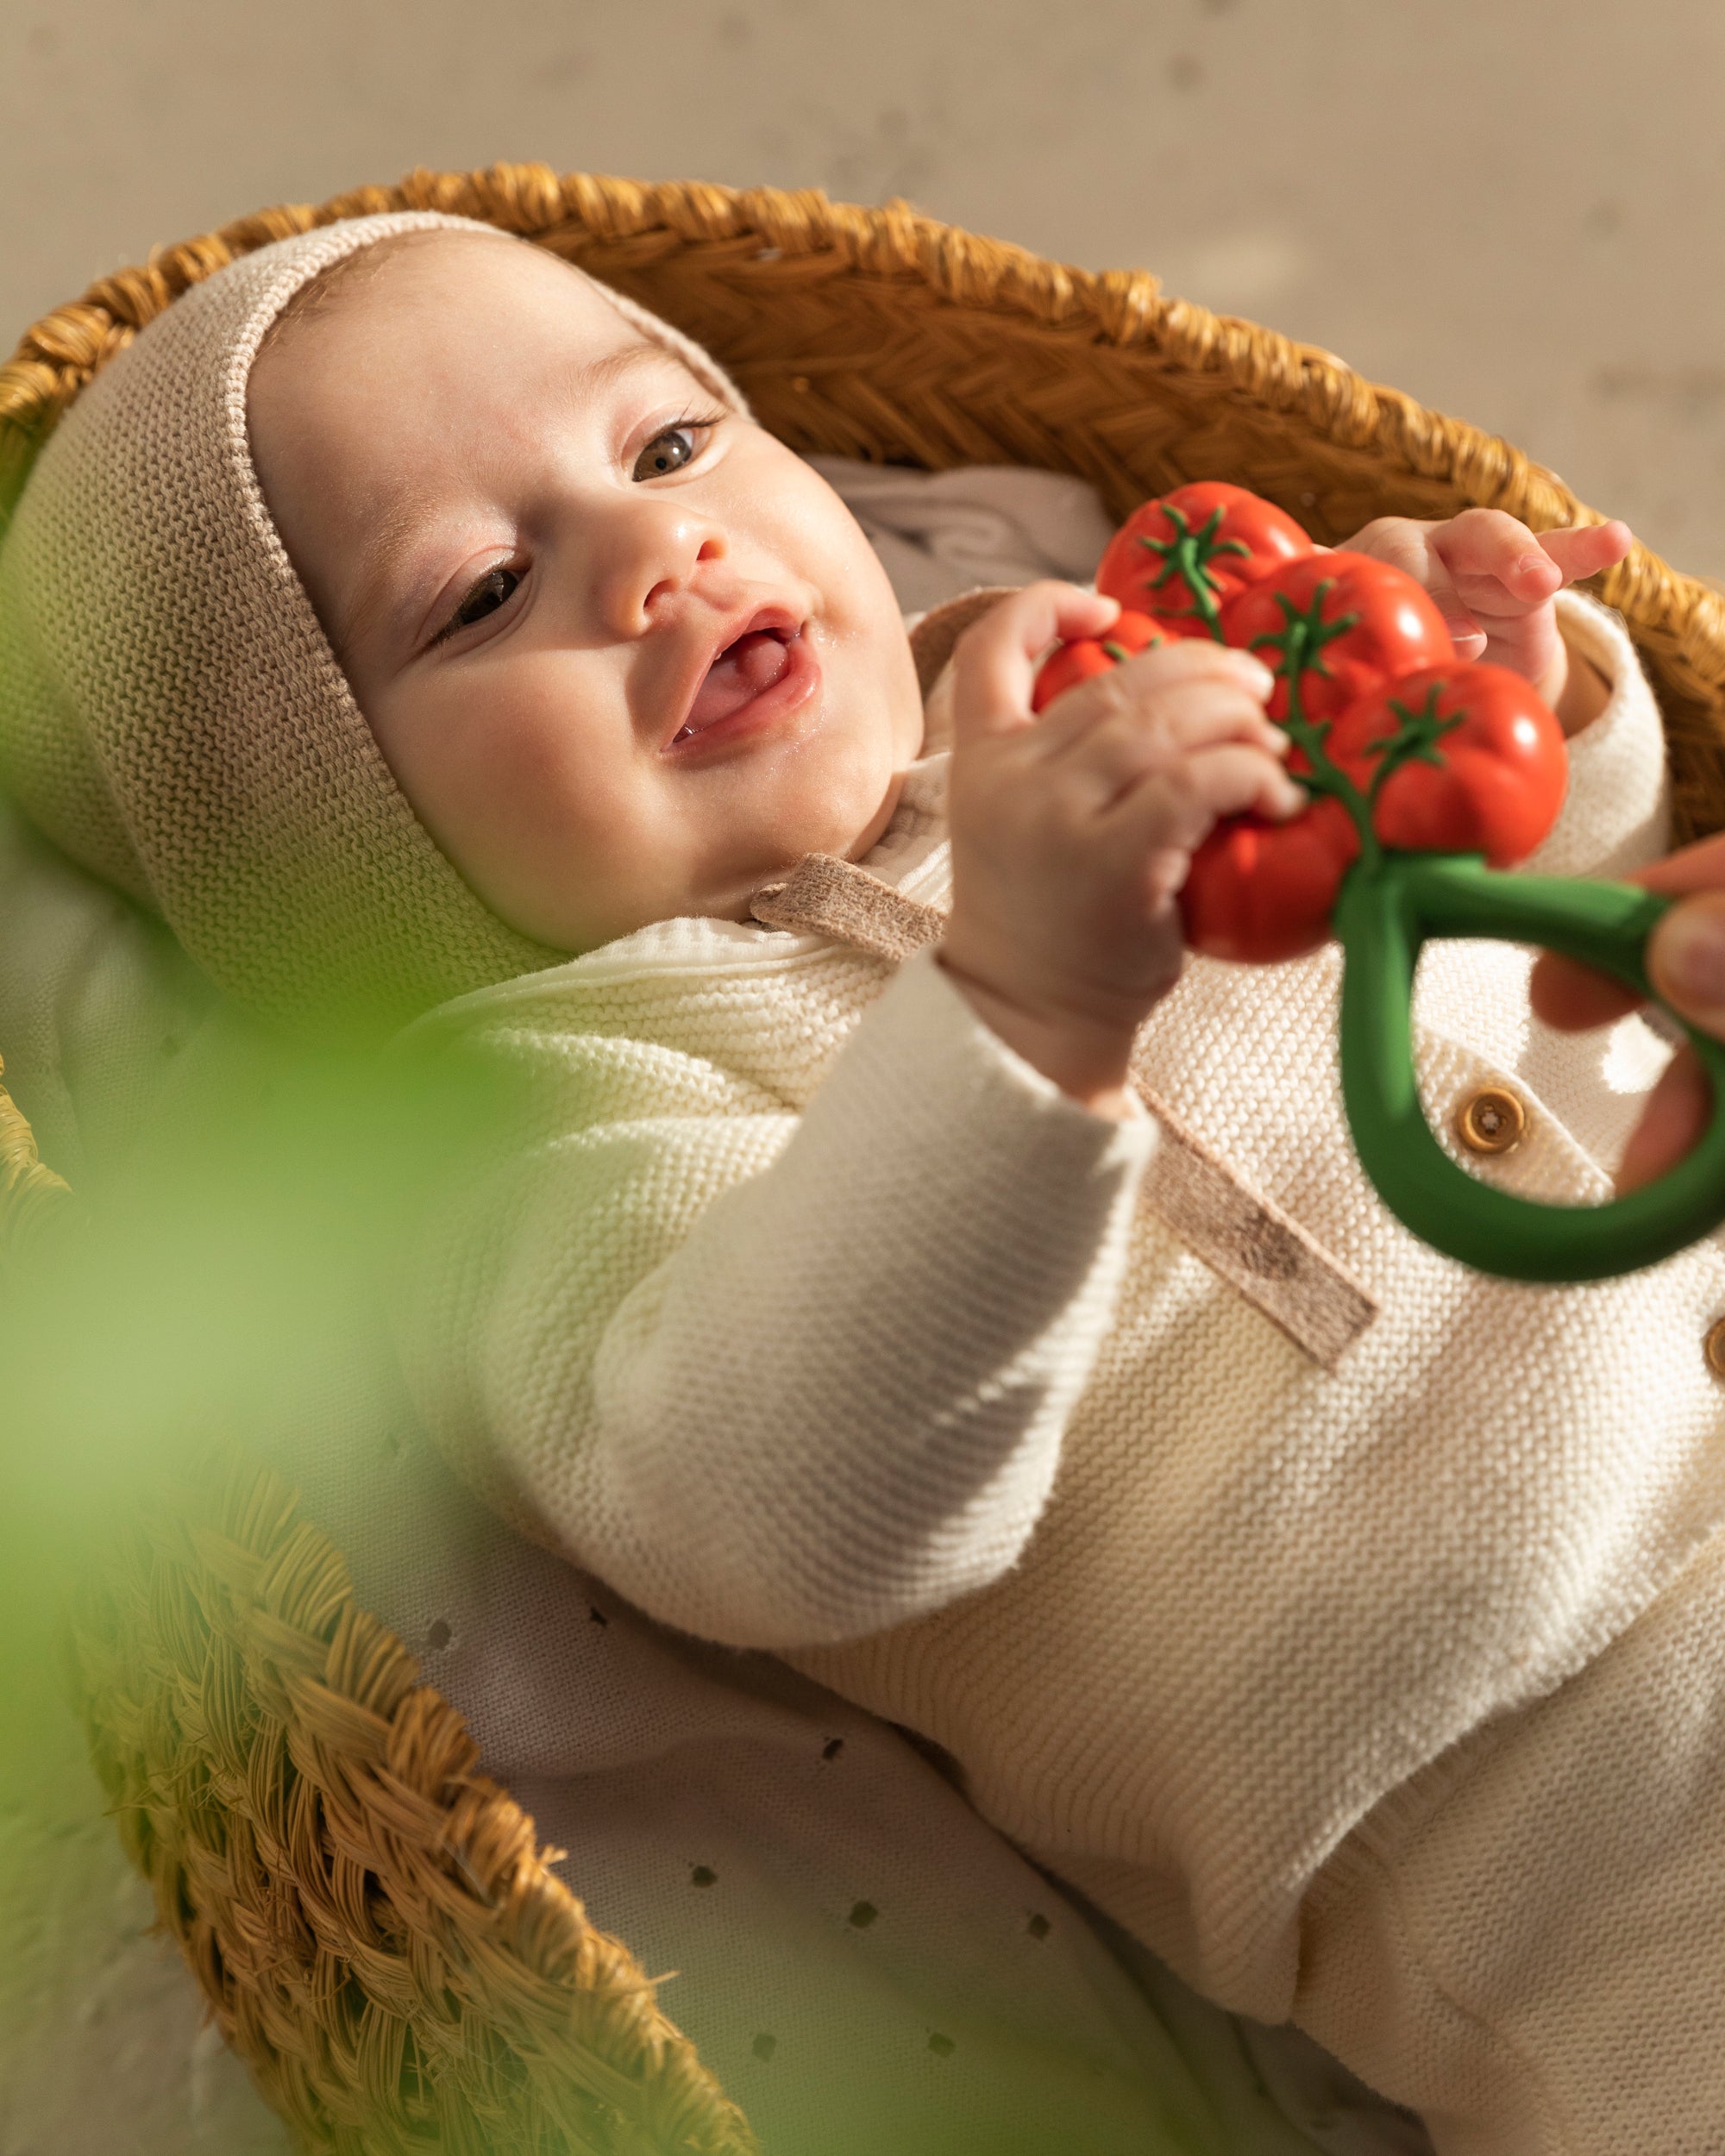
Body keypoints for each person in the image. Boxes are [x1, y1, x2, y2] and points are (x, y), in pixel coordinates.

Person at [2, 208, 1718, 2156]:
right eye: (483, 593)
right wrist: (1020, 1018)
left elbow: (1540, 953)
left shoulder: (1096, 676)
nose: (659, 551)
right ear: (344, 858)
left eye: (669, 445)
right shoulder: (550, 1123)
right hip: (1579, 1842)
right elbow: (788, 1495)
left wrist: (1525, 710)